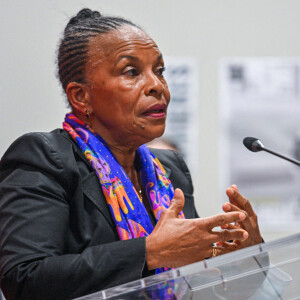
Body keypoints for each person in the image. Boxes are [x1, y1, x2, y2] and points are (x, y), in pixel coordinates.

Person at [0, 8, 262, 300]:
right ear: (80, 96)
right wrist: (149, 252)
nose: (157, 86)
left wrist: (240, 254)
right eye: (131, 72)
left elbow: (198, 276)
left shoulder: (170, 169)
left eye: (159, 71)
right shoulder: (46, 158)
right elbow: (23, 279)